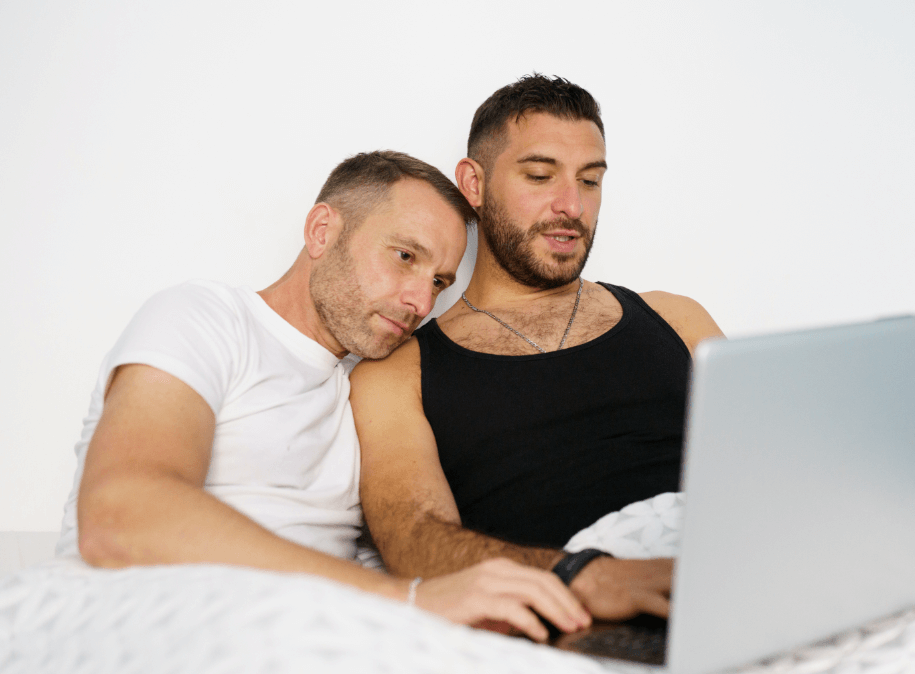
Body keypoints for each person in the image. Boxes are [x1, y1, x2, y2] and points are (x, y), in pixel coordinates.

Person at [55, 150, 590, 641]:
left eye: (439, 282)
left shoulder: (371, 389)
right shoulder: (205, 318)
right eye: (405, 256)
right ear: (321, 231)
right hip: (156, 633)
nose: (419, 300)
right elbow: (118, 517)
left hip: (313, 647)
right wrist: (404, 602)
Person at [350, 76, 724, 622]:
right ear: (473, 184)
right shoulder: (399, 371)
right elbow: (415, 541)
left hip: (726, 587)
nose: (571, 206)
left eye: (590, 181)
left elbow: (772, 472)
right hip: (579, 617)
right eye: (540, 176)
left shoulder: (677, 318)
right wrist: (582, 575)